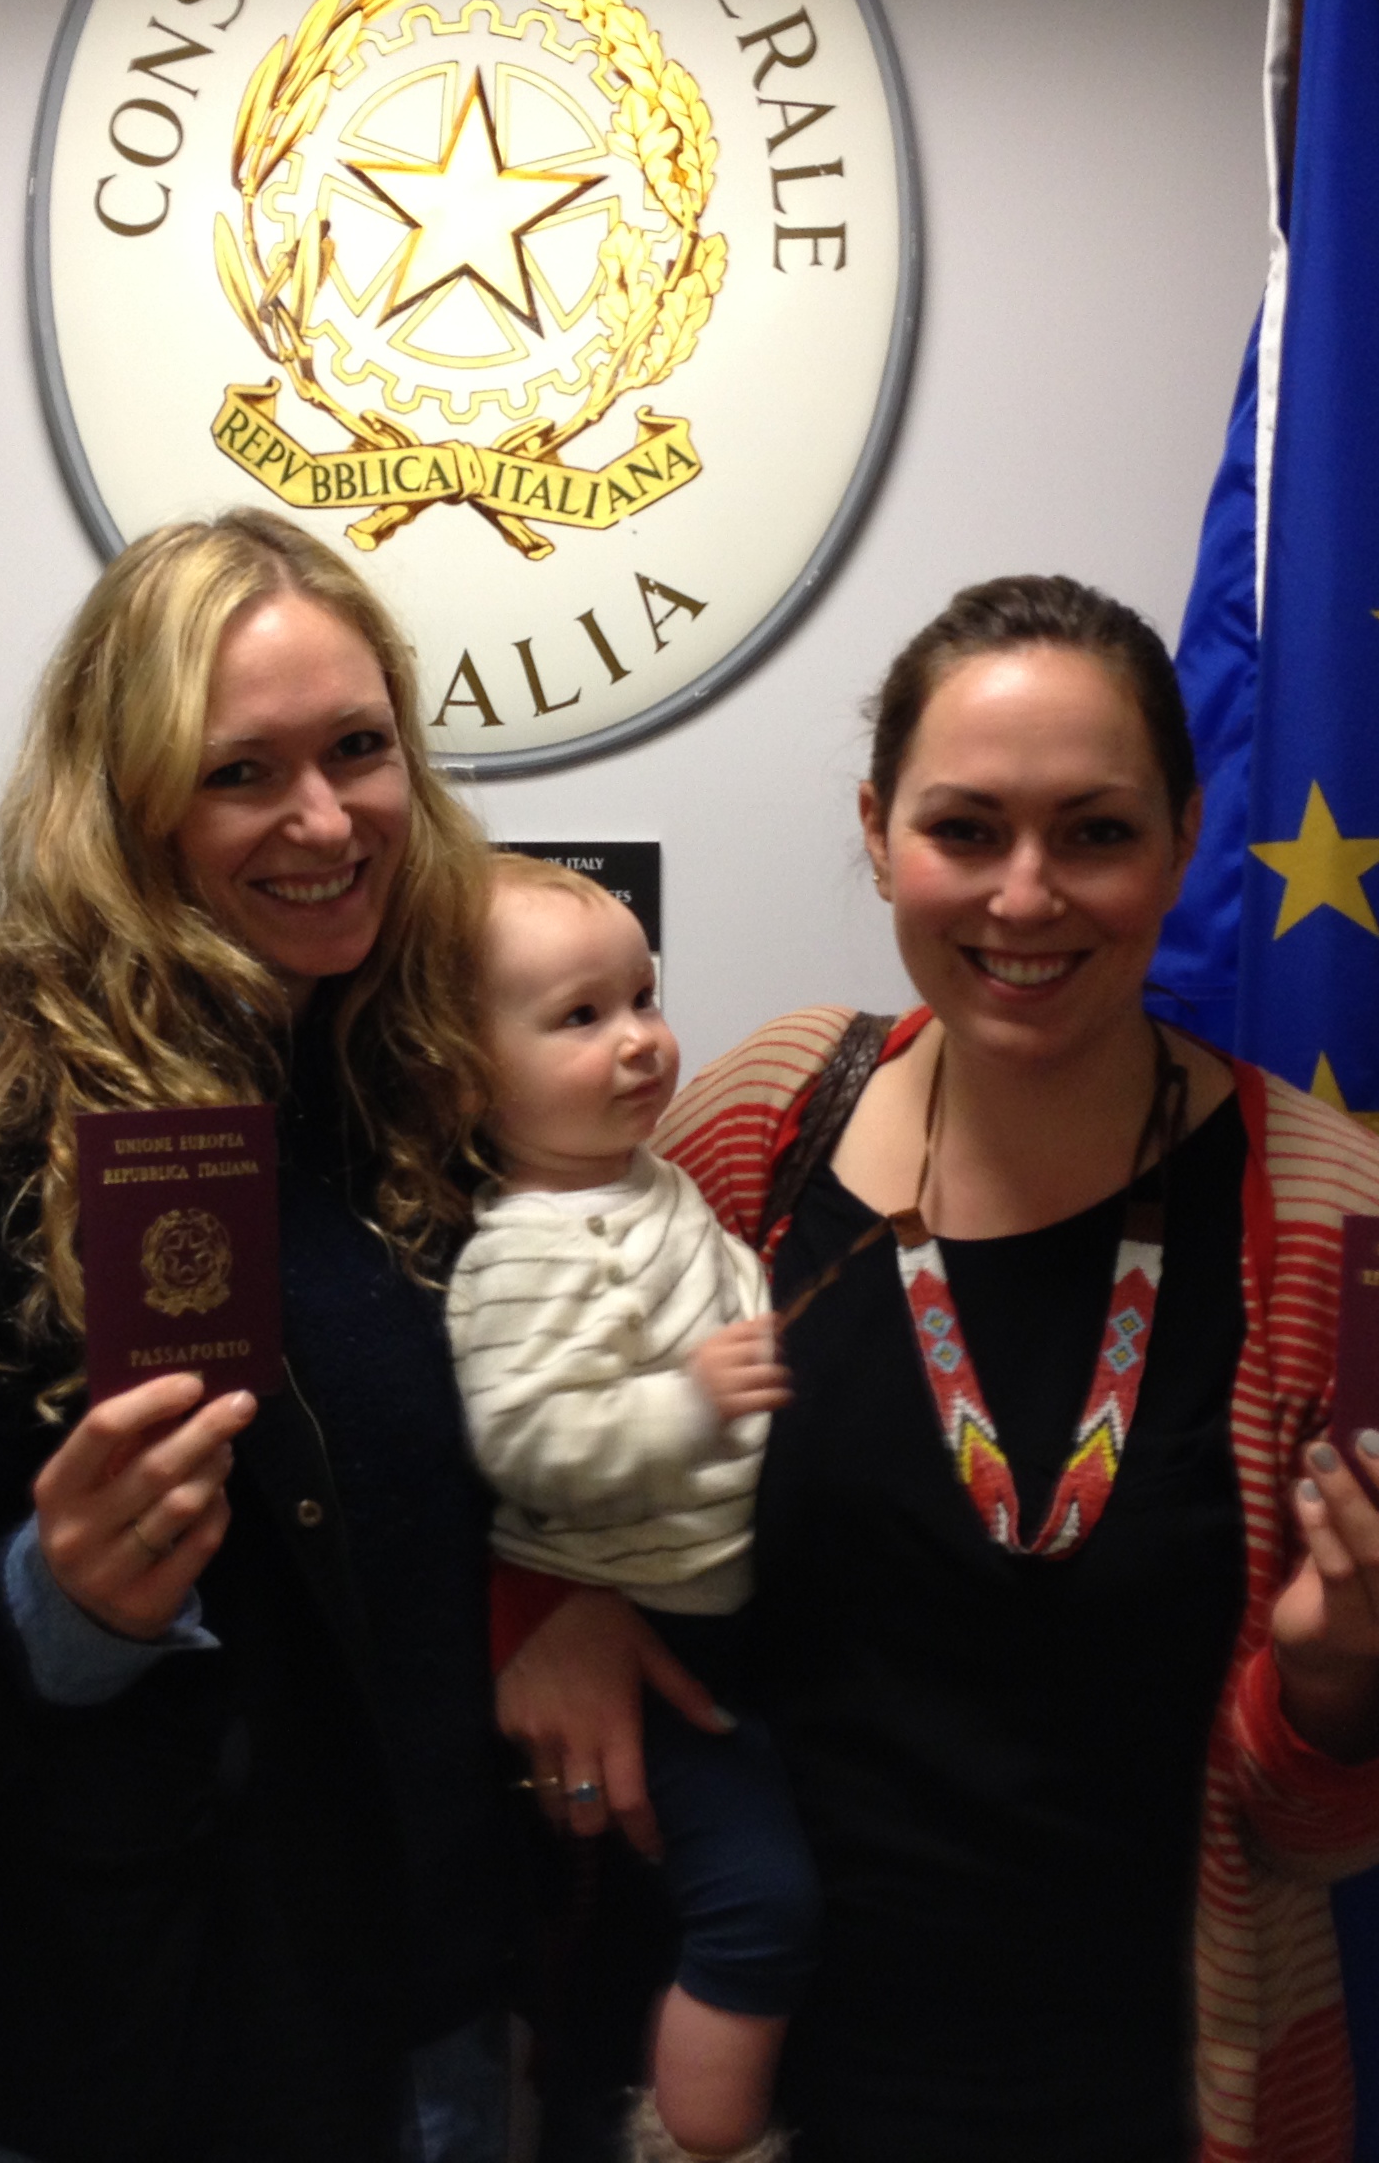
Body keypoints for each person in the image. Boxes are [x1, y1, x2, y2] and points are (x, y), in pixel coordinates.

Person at [499, 574, 1379, 2163]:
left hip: (1133, 2107)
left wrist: (1337, 1676)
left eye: (1094, 833)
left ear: (1185, 839)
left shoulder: (1341, 1227)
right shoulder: (760, 1129)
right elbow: (505, 1406)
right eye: (965, 831)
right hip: (712, 2098)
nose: (1024, 898)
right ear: (878, 829)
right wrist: (544, 1609)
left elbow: (1335, 1836)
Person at [0, 511, 523, 2163]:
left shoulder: (445, 1083)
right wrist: (57, 1604)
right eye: (242, 773)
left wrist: (583, 1603)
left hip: (431, 2036)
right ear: (124, 801)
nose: (326, 820)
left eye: (360, 748)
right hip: (117, 2072)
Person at [444, 855, 813, 2163]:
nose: (643, 1040)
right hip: (642, 1634)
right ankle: (700, 2137)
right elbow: (524, 1441)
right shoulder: (527, 1248)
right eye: (581, 1017)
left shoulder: (644, 1180)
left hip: (715, 1604)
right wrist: (690, 1403)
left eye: (644, 997)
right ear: (464, 1075)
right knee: (758, 1903)